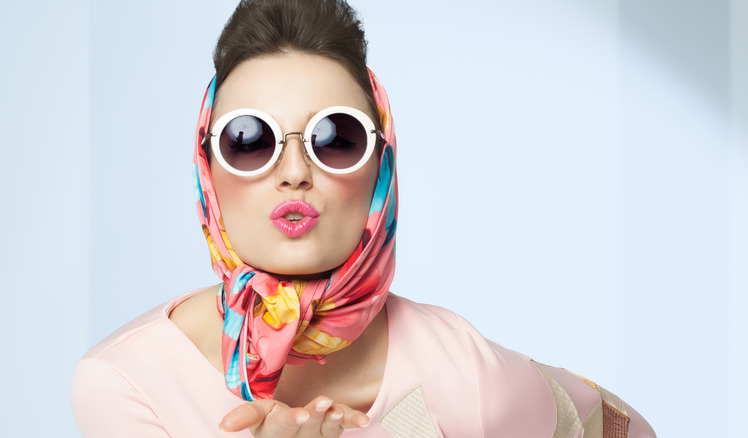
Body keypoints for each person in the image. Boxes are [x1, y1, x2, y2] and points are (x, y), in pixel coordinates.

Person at [71, 0, 656, 436]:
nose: (295, 171)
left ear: (381, 166)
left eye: (336, 137)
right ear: (209, 171)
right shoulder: (127, 381)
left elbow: (623, 427)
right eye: (250, 141)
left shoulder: (460, 369)